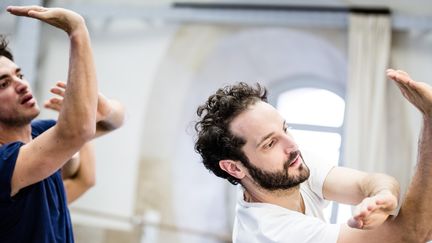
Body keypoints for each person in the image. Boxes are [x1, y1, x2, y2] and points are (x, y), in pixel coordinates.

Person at [194, 69, 432, 242]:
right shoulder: (273, 234)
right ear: (234, 168)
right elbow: (410, 234)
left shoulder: (287, 166)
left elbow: (366, 182)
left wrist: (383, 195)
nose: (292, 145)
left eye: (285, 129)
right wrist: (430, 119)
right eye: (270, 143)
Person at [0, 5, 124, 243]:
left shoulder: (39, 133)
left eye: (20, 75)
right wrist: (77, 30)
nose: (22, 84)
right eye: (4, 84)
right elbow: (78, 132)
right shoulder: (4, 163)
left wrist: (104, 110)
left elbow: (115, 121)